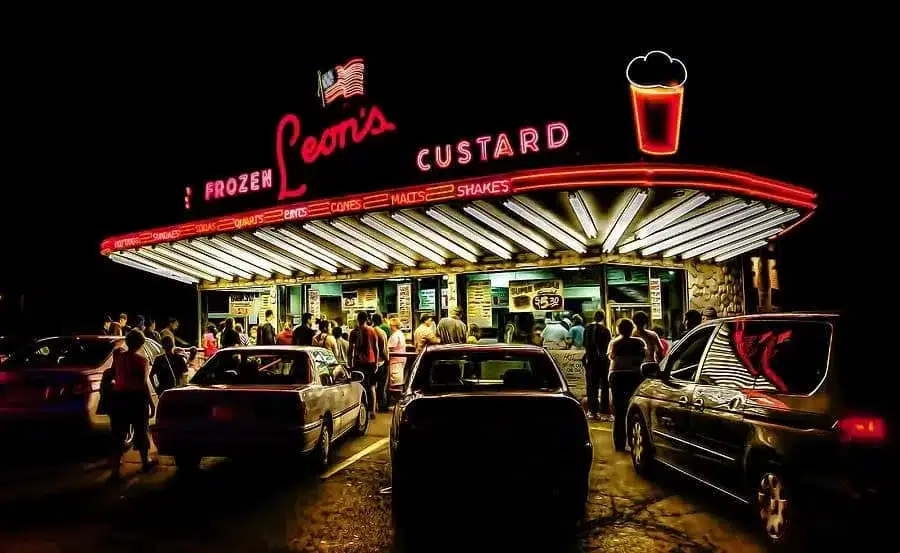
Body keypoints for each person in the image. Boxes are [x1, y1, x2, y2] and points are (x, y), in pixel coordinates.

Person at [107, 330, 156, 478]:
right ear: (141, 344)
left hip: (119, 397)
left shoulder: (119, 357)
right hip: (136, 398)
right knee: (141, 430)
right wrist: (151, 403)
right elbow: (143, 384)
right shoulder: (142, 361)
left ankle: (115, 470)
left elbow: (114, 374)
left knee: (118, 433)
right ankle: (145, 462)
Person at [608, 318, 647, 451]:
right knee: (634, 408)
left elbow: (611, 357)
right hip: (635, 376)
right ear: (632, 329)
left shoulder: (615, 343)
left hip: (617, 377)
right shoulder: (639, 342)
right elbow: (644, 355)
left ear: (618, 330)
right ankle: (633, 441)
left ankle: (619, 444)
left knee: (619, 411)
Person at [348, 311, 380, 417]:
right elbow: (376, 348)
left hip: (358, 362)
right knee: (371, 386)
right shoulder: (372, 330)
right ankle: (372, 411)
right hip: (370, 362)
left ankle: (360, 410)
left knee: (359, 386)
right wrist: (376, 363)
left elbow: (350, 349)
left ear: (358, 319)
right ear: (367, 319)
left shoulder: (353, 332)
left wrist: (350, 363)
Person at [583, 311, 612, 419]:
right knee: (604, 386)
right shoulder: (605, 330)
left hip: (590, 361)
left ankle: (593, 411)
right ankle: (604, 411)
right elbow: (608, 347)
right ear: (603, 318)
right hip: (603, 362)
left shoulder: (587, 329)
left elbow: (584, 344)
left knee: (591, 386)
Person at [370, 316, 390, 412]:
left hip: (371, 362)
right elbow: (384, 349)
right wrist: (387, 359)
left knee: (371, 385)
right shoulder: (382, 333)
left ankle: (372, 407)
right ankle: (382, 407)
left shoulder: (369, 331)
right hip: (381, 361)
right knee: (382, 386)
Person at [387, 317, 407, 393]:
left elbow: (390, 348)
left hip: (395, 361)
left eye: (391, 325)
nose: (390, 327)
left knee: (396, 381)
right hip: (401, 360)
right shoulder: (400, 334)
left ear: (394, 326)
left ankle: (397, 397)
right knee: (399, 379)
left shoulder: (395, 336)